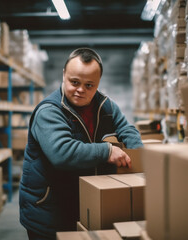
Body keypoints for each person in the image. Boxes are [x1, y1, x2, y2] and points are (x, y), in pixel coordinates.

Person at [19, 47, 143, 239]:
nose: (80, 90)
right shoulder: (49, 111)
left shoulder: (106, 106)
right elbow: (62, 153)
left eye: (89, 85)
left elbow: (127, 129)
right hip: (50, 212)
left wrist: (140, 157)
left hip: (84, 205)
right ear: (64, 75)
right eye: (74, 82)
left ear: (98, 83)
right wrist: (107, 151)